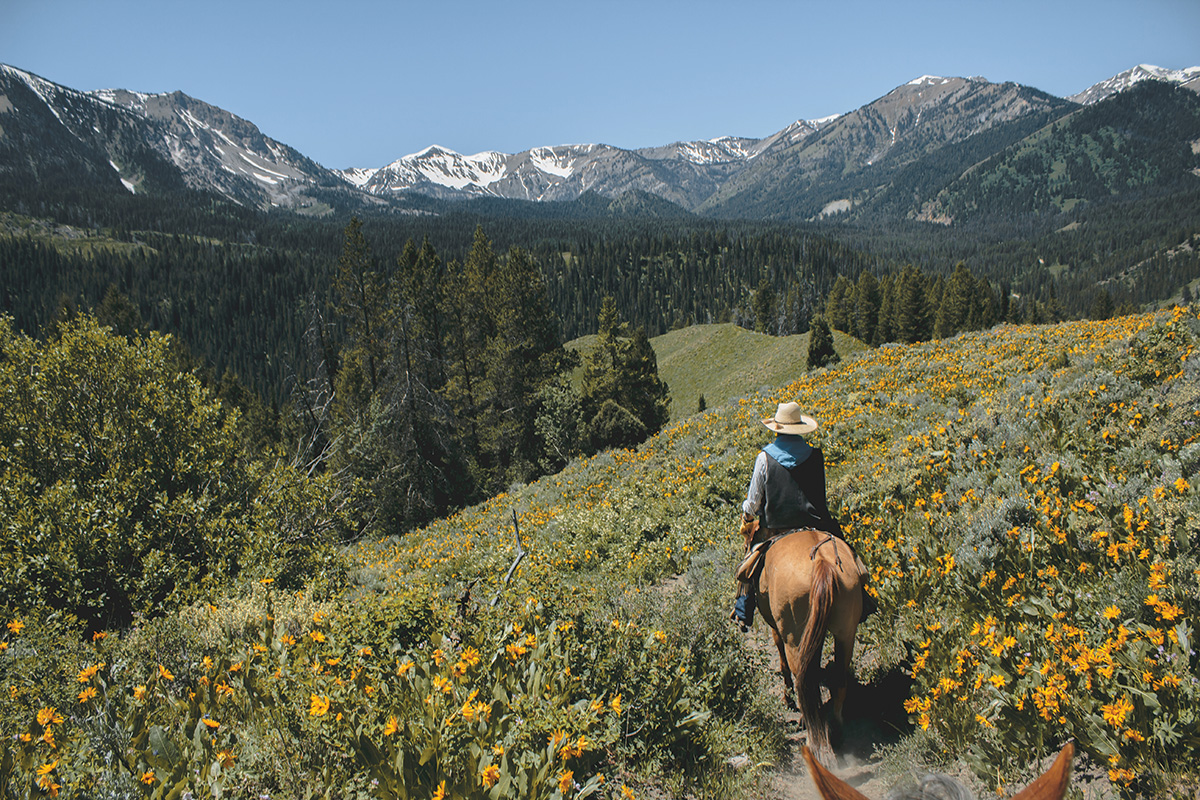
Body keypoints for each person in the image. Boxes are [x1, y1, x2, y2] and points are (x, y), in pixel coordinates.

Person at [733, 402, 875, 628]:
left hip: (776, 528)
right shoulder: (815, 455)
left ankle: (743, 608)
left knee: (749, 563)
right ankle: (863, 598)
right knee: (850, 558)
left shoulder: (764, 458)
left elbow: (753, 502)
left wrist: (748, 518)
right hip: (817, 526)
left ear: (776, 428)